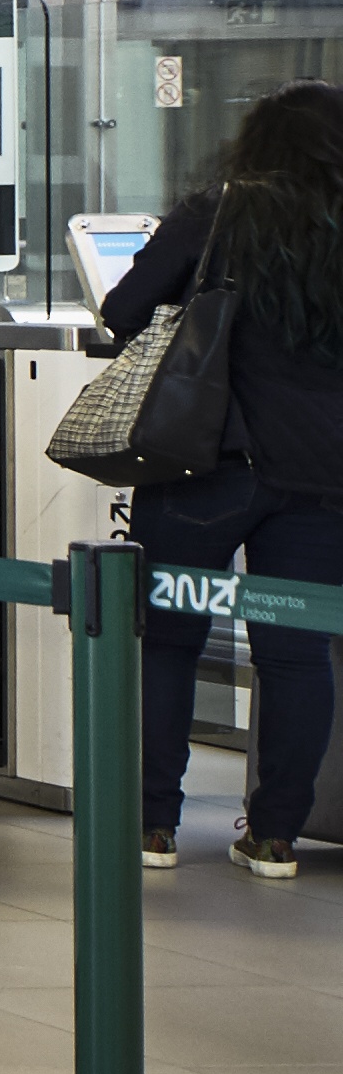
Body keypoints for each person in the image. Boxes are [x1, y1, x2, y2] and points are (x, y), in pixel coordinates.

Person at [93, 80, 343, 881]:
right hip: (324, 474)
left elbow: (126, 307)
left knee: (167, 640)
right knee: (298, 657)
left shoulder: (219, 211)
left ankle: (152, 826)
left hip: (207, 458)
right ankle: (274, 837)